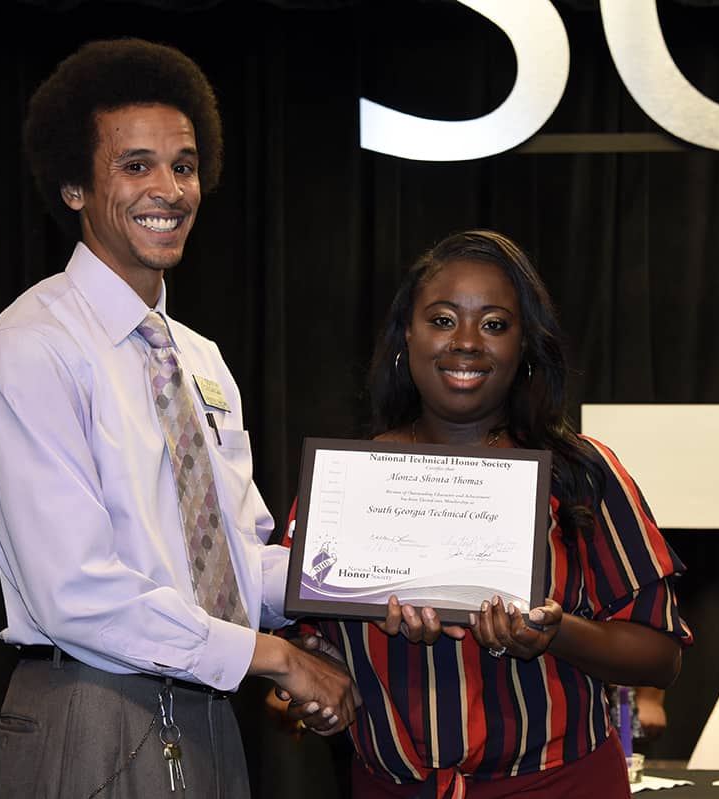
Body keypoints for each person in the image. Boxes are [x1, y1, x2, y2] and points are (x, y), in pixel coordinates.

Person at [0, 38, 356, 798]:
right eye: (136, 165)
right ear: (74, 185)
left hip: (207, 705)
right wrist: (273, 658)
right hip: (90, 705)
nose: (169, 189)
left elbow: (242, 560)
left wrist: (372, 581)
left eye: (183, 165)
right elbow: (75, 592)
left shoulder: (201, 359)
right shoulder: (31, 347)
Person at [281, 230, 692, 798]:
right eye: (443, 319)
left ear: (525, 344)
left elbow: (661, 656)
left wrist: (551, 632)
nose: (467, 342)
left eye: (494, 324)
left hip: (559, 787)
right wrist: (313, 696)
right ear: (407, 333)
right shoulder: (344, 484)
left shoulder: (583, 472)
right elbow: (289, 671)